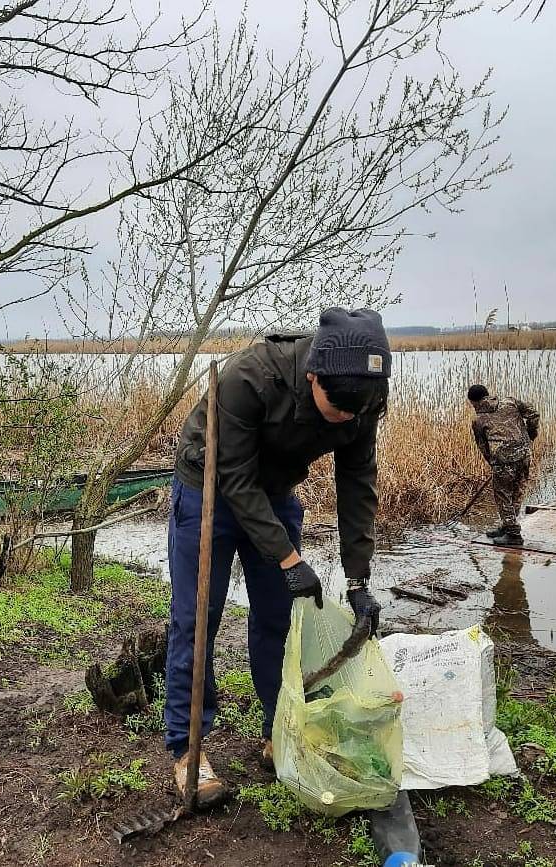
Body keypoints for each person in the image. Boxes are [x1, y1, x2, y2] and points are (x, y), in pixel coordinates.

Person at [166, 307, 390, 806]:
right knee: (196, 620)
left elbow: (357, 485)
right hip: (212, 489)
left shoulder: (364, 397)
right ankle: (188, 751)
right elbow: (237, 483)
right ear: (313, 375)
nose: (346, 419)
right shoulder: (248, 378)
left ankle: (277, 733)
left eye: (357, 410)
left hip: (276, 492)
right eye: (337, 407)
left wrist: (358, 581)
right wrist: (291, 561)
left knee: (279, 623)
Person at [467, 384, 539, 546]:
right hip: (524, 455)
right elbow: (534, 414)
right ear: (488, 394)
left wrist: (493, 463)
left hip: (503, 461)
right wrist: (530, 435)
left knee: (503, 496)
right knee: (517, 491)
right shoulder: (510, 402)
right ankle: (507, 526)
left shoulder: (478, 420)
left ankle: (513, 535)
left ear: (473, 402)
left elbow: (483, 447)